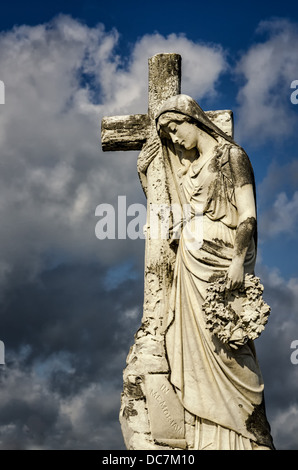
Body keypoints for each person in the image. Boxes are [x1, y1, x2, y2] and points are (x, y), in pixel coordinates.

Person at [155, 94, 274, 450]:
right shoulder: (188, 167)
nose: (175, 140)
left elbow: (247, 214)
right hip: (192, 267)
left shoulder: (231, 157)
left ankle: (244, 432)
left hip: (222, 260)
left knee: (229, 343)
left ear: (193, 119)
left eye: (175, 129)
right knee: (194, 342)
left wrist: (238, 259)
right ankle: (205, 428)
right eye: (169, 136)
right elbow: (167, 192)